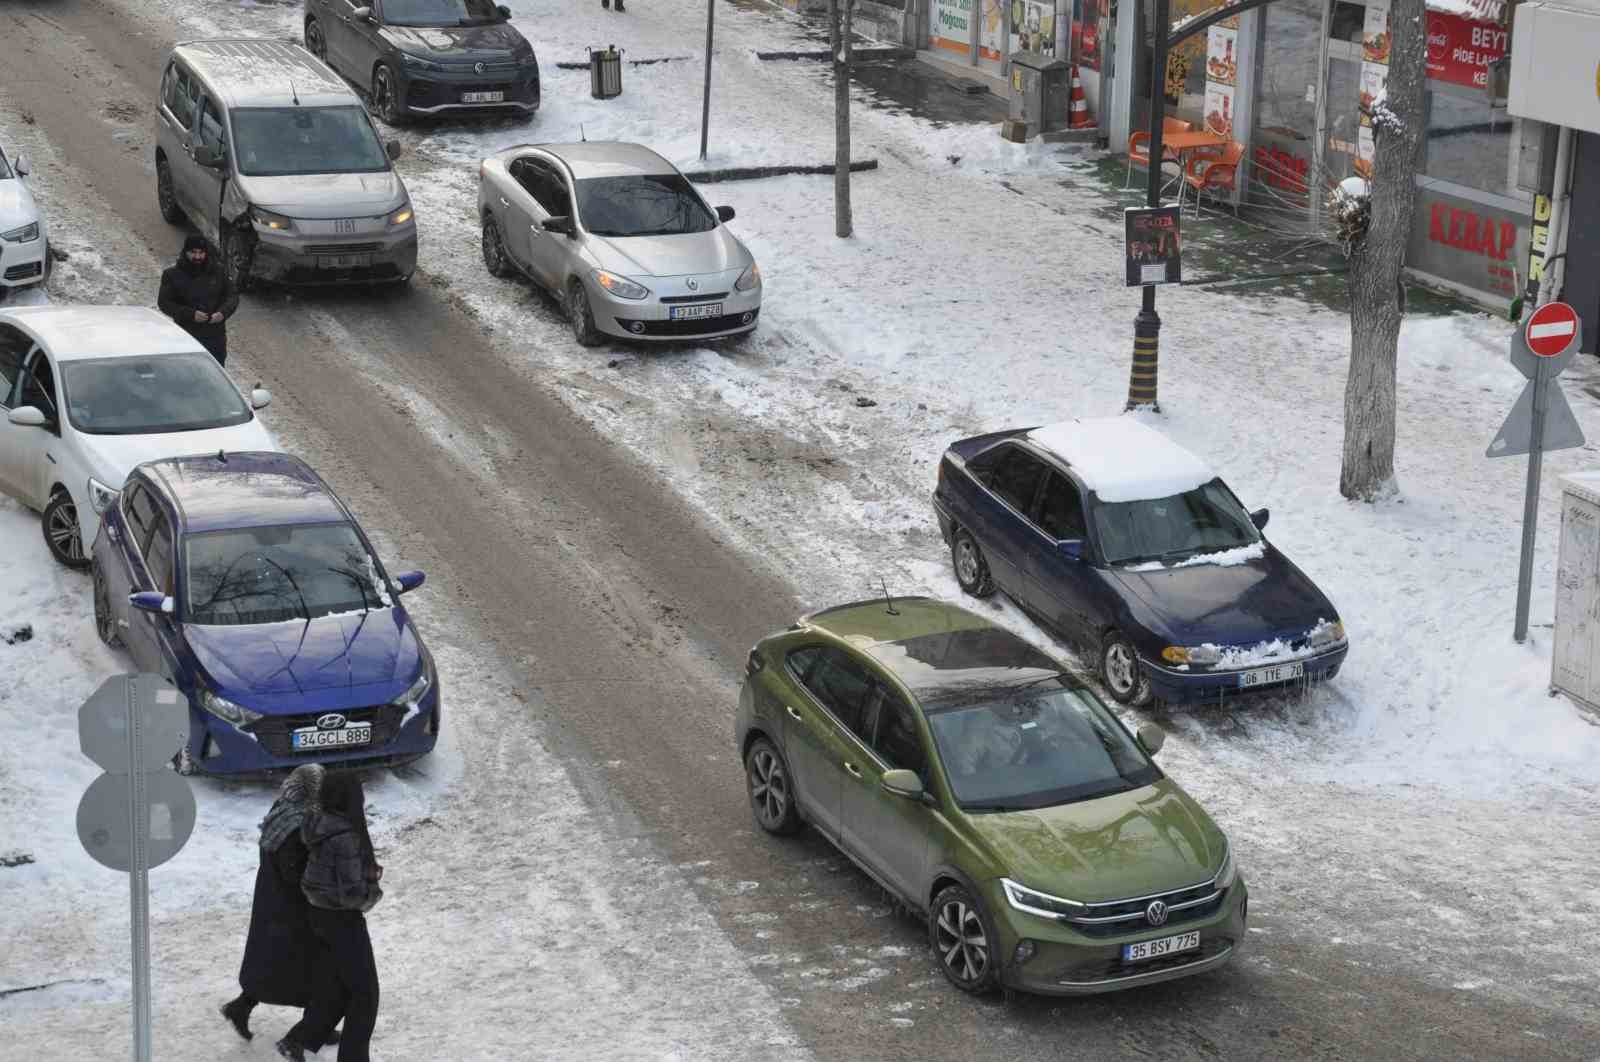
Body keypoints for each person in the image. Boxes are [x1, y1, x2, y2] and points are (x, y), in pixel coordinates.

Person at [220, 765, 342, 1051]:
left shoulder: (283, 809)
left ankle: (241, 1007)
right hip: (294, 909)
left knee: (272, 964)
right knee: (321, 970)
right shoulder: (297, 826)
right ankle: (313, 1029)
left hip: (274, 904)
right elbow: (299, 874)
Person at [283, 772, 384, 1062]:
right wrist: (373, 892)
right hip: (342, 922)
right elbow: (352, 893)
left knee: (337, 989)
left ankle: (297, 1041)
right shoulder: (345, 836)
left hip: (318, 915)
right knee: (365, 995)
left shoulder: (317, 823)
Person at [157, 234, 238, 366]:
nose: (197, 257)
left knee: (215, 375)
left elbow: (232, 296)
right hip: (186, 336)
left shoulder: (218, 272)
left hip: (215, 337)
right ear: (185, 252)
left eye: (201, 252)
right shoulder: (172, 275)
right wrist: (190, 314)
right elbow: (164, 303)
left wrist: (222, 313)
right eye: (193, 252)